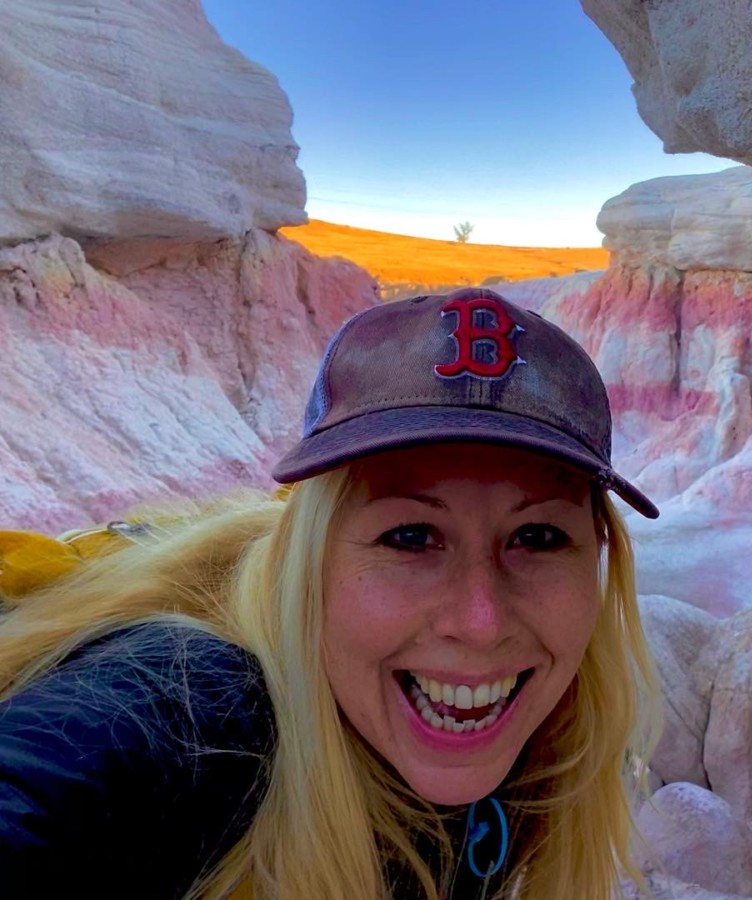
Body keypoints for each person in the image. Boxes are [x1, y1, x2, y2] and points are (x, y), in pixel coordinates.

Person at [0, 287, 661, 899]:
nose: (481, 623)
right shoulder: (195, 708)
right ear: (309, 560)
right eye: (409, 537)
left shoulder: (555, 739)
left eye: (539, 537)